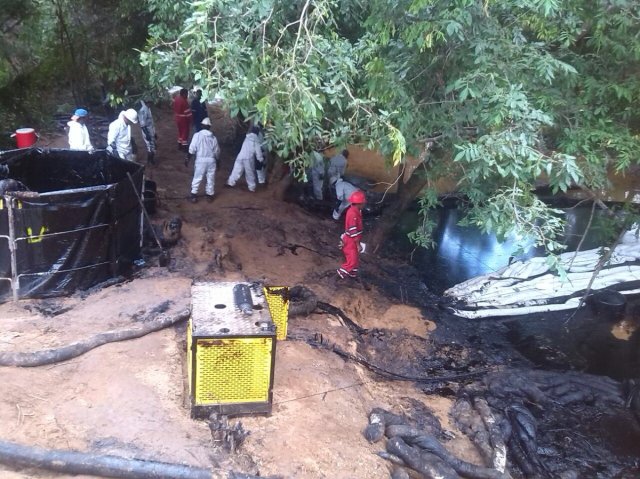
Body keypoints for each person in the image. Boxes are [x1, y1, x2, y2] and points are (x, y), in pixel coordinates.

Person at [187, 118, 220, 203]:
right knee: (210, 178)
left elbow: (192, 149)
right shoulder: (213, 138)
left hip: (201, 160)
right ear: (209, 127)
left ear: (202, 126)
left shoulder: (197, 135)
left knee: (197, 177)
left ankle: (193, 195)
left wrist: (188, 158)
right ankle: (209, 195)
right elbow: (217, 151)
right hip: (211, 160)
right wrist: (218, 161)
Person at [337, 190, 366, 279]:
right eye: (363, 203)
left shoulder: (356, 211)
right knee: (352, 261)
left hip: (353, 240)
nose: (364, 204)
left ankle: (351, 276)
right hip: (351, 241)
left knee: (355, 260)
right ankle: (339, 275)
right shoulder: (353, 213)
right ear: (359, 203)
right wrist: (357, 244)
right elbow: (353, 230)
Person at [226, 126, 264, 192]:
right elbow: (258, 151)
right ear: (257, 132)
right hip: (249, 157)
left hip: (240, 156)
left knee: (236, 170)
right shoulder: (256, 140)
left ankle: (230, 182)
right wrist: (260, 159)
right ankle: (251, 187)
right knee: (249, 173)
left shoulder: (247, 137)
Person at [138, 100, 157, 165]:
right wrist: (147, 134)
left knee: (153, 146)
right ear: (148, 102)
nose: (151, 104)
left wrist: (154, 133)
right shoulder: (143, 110)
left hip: (151, 131)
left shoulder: (148, 109)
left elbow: (151, 123)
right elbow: (142, 125)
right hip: (147, 132)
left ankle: (150, 160)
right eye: (150, 102)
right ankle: (150, 161)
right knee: (150, 147)